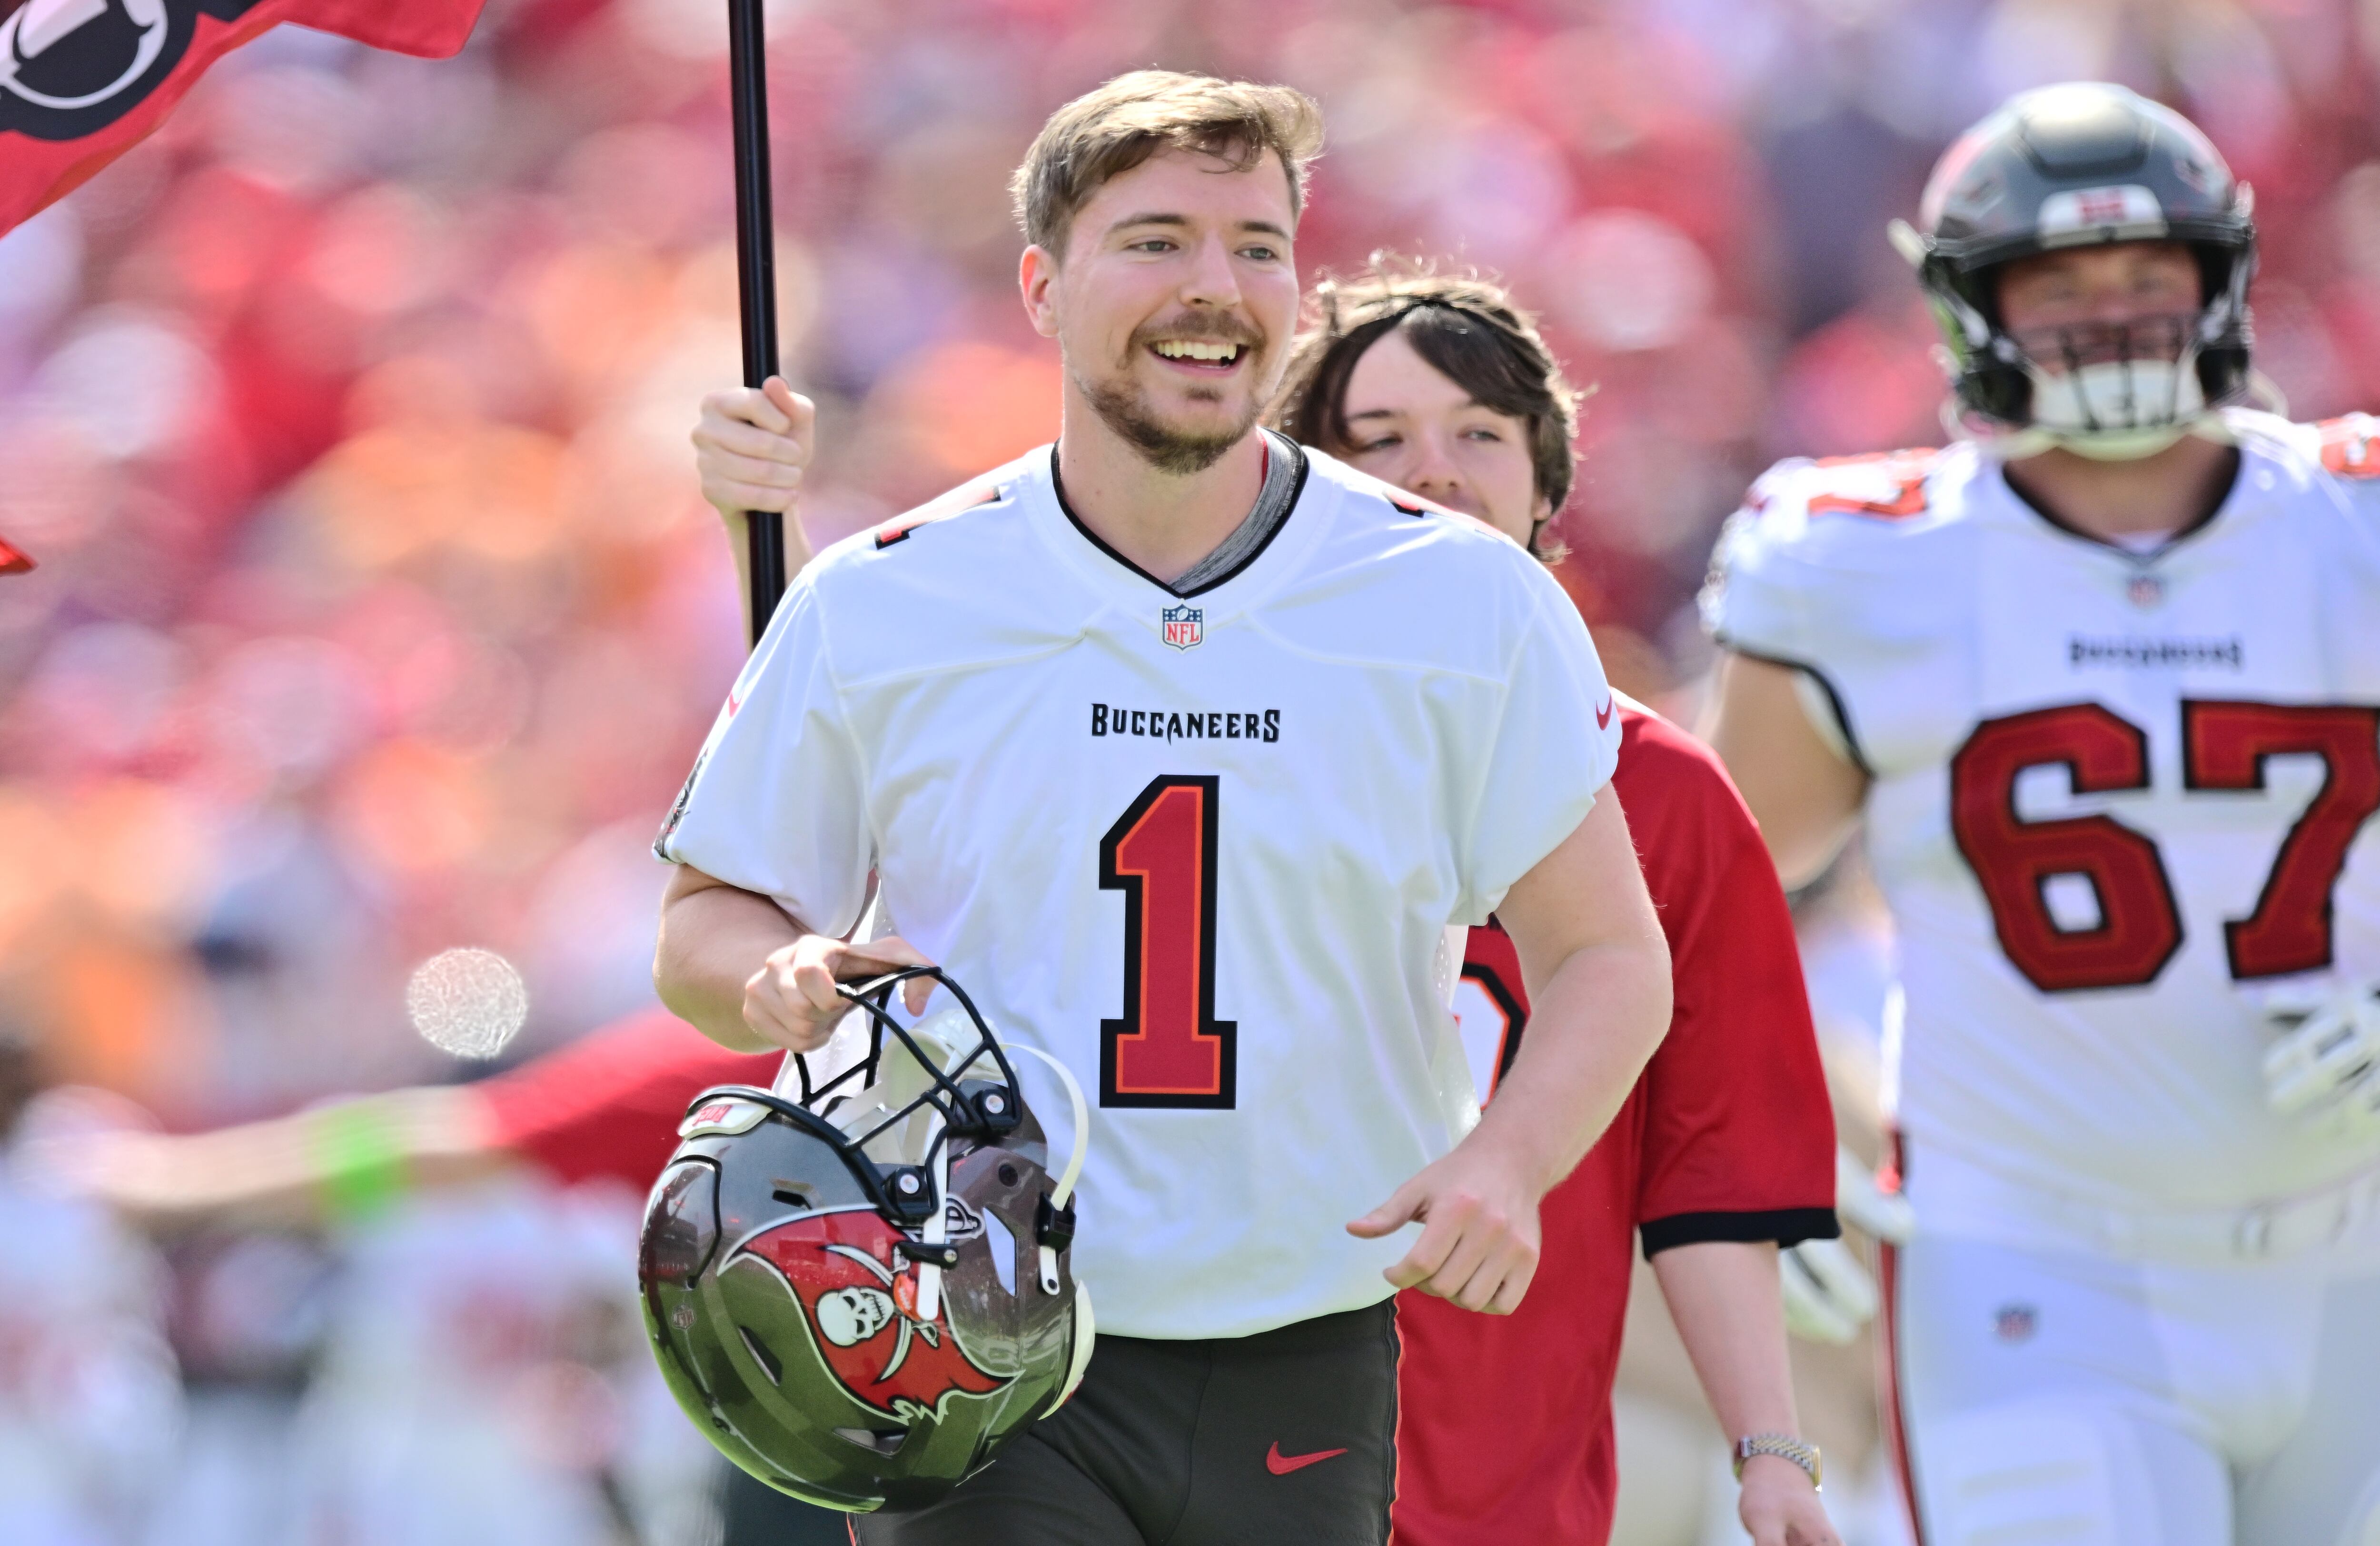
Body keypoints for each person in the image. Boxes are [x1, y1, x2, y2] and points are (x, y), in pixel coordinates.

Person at [654, 70, 1672, 1545]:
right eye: (1157, 240)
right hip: (982, 1338)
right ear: (1043, 287)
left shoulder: (1458, 599)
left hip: (1308, 1339)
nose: (1217, 286)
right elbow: (702, 920)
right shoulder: (890, 594)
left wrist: (1511, 1162)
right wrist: (772, 972)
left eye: (1258, 244)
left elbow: (1611, 956)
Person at [1703, 81, 2380, 1546]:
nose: (2114, 316)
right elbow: (1705, 902)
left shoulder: (2355, 519)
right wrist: (1758, 1142)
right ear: (1972, 309)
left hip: (2361, 1252)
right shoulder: (1871, 565)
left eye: (2150, 276)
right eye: (2060, 285)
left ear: (2225, 279)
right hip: (2035, 1263)